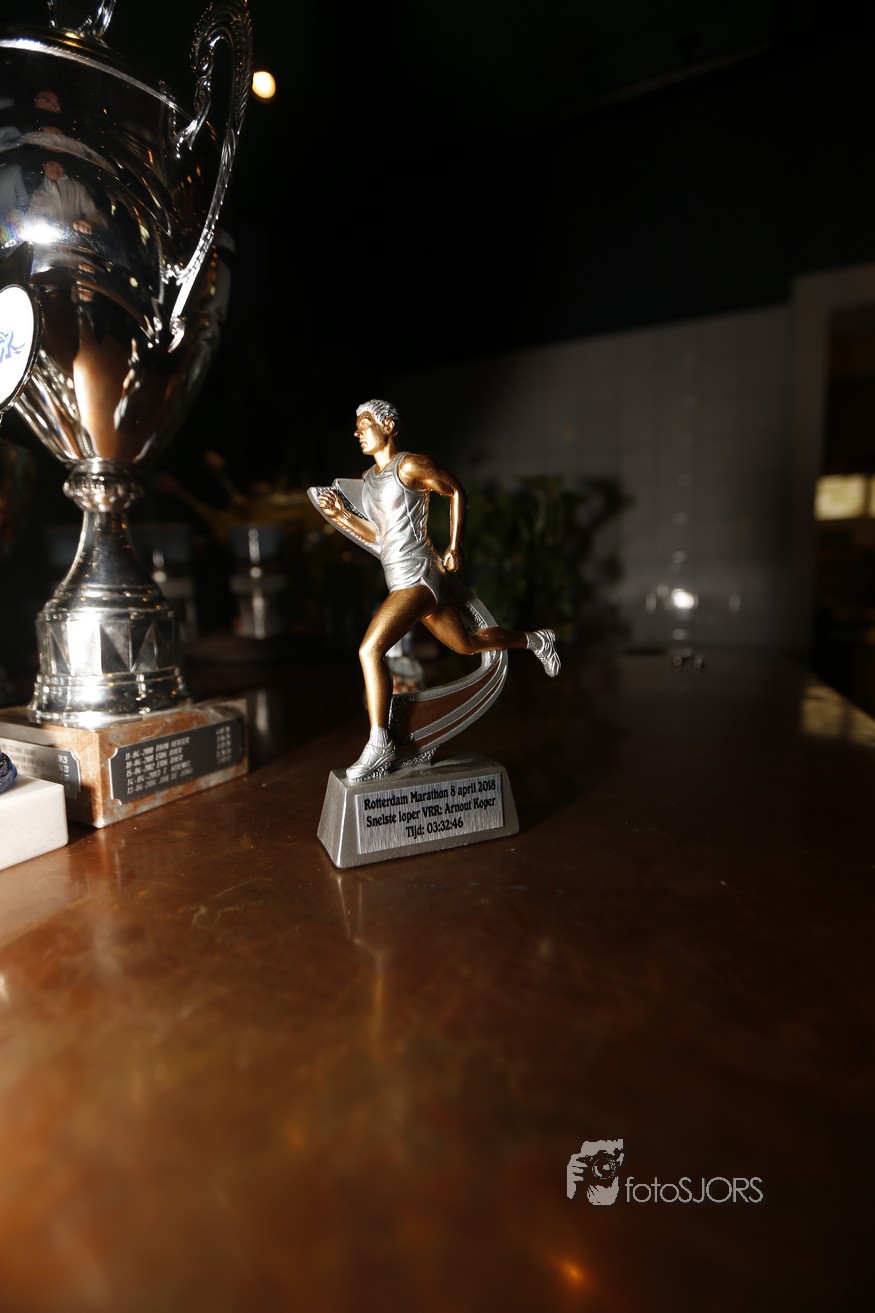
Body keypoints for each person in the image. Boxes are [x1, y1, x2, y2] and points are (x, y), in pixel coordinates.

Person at [318, 399, 560, 781]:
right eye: (356, 427)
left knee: (370, 650)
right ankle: (536, 640)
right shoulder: (368, 479)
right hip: (400, 578)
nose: (357, 432)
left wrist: (454, 546)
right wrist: (342, 516)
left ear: (388, 426)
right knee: (466, 645)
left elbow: (456, 491)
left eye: (364, 424)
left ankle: (379, 743)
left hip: (420, 576)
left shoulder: (410, 466)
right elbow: (380, 537)